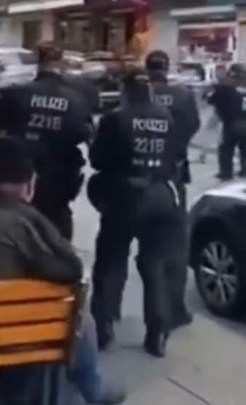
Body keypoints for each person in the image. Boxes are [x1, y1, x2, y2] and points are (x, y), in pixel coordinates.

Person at [0, 137, 126, 405]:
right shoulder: (23, 219)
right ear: (28, 185)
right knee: (79, 319)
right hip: (5, 329)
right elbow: (70, 269)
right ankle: (94, 389)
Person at [88, 69, 183, 357]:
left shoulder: (115, 118)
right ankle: (158, 330)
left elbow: (98, 160)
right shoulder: (166, 117)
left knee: (111, 261)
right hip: (162, 196)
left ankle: (105, 325)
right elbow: (176, 157)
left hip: (124, 196)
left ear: (126, 90)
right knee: (154, 264)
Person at [0, 43, 94, 240]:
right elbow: (87, 136)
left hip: (20, 173)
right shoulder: (78, 100)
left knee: (18, 227)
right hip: (60, 175)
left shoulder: (16, 93)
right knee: (58, 224)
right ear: (62, 64)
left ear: (38, 63)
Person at [145, 50, 200, 327]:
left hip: (138, 178)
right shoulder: (182, 95)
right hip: (173, 176)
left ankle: (109, 315)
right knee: (174, 248)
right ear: (167, 68)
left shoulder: (137, 94)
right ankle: (174, 309)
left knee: (122, 248)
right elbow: (193, 125)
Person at [206, 64, 246, 180]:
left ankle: (226, 173)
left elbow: (211, 99)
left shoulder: (226, 85)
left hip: (233, 123)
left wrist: (209, 93)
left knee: (225, 149)